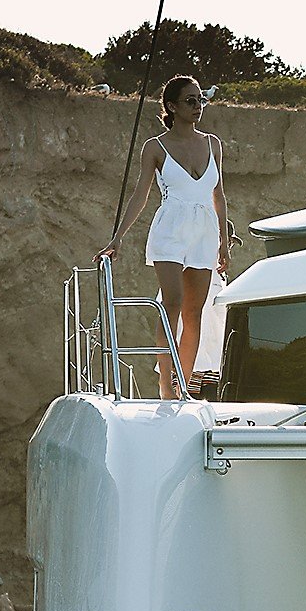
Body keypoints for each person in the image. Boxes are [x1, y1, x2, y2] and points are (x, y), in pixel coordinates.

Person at [99, 75, 229, 399]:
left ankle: (182, 386)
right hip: (170, 230)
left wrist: (224, 242)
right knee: (171, 303)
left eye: (201, 100)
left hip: (204, 232)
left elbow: (219, 196)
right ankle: (165, 384)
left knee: (194, 312)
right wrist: (117, 238)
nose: (198, 106)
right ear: (171, 106)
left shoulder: (213, 143)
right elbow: (141, 195)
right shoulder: (154, 147)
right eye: (191, 101)